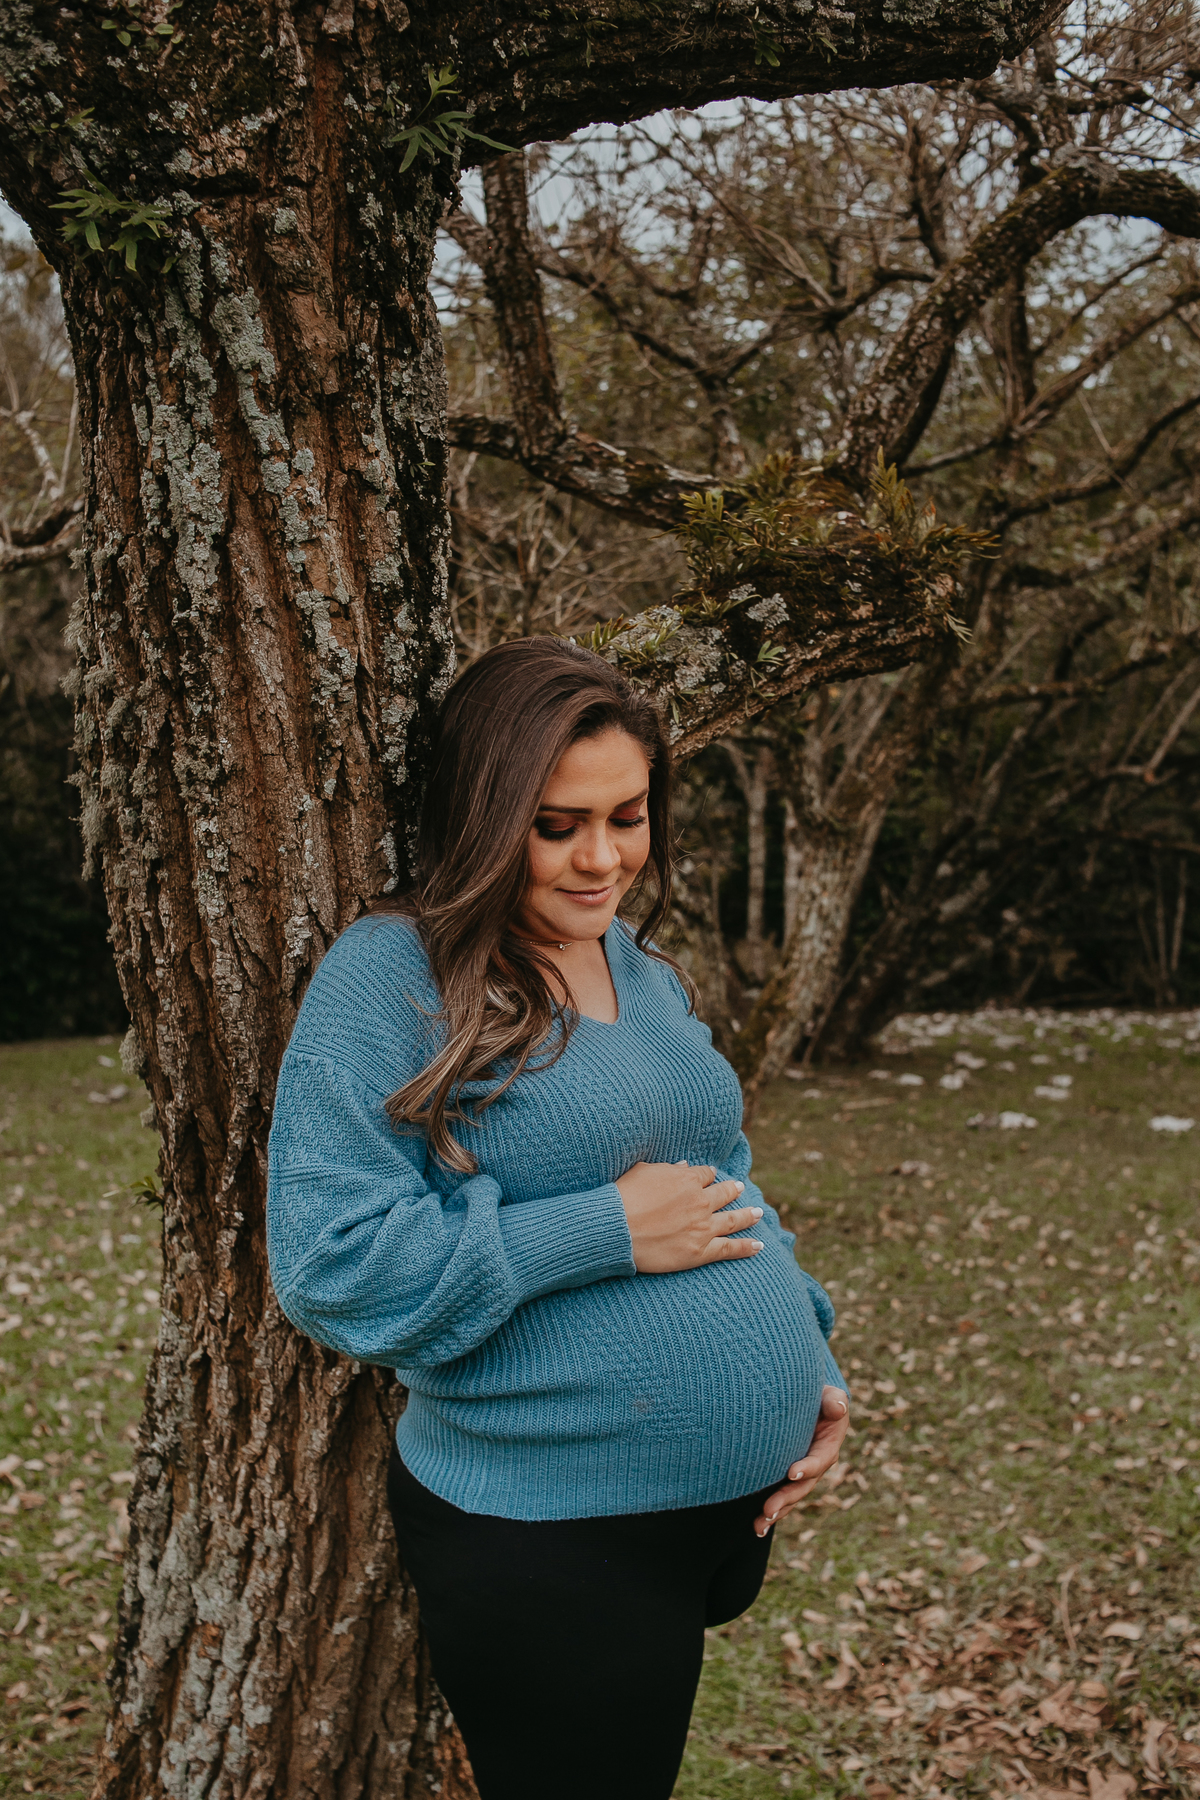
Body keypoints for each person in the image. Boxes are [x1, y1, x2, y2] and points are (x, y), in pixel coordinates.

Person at [267, 637, 849, 1800]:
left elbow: (721, 1168)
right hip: (555, 1529)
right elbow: (328, 1264)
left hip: (718, 1508)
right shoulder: (394, 976)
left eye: (626, 815)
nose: (601, 858)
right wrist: (599, 1231)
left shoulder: (636, 959)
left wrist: (809, 1346)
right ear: (486, 818)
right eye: (555, 825)